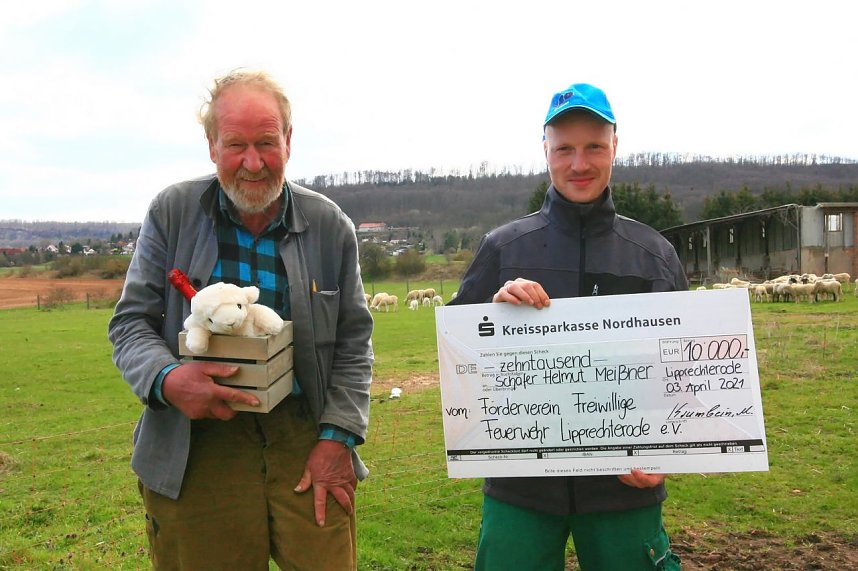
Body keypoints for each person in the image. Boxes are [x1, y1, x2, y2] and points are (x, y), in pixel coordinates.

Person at [108, 70, 373, 570]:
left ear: (289, 141)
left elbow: (355, 341)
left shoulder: (330, 225)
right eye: (236, 145)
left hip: (303, 431)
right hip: (196, 441)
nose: (253, 163)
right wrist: (168, 379)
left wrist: (338, 437)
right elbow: (131, 324)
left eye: (267, 142)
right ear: (212, 146)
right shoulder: (173, 211)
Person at [449, 83, 686, 570]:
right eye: (565, 149)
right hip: (522, 488)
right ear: (545, 151)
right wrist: (493, 319)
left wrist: (668, 455)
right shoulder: (503, 248)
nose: (580, 164)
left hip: (624, 487)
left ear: (615, 147)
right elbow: (456, 358)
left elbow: (683, 371)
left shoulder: (653, 254)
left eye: (594, 147)